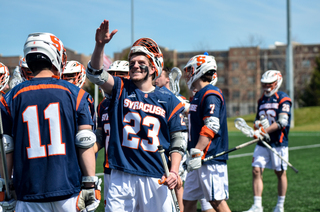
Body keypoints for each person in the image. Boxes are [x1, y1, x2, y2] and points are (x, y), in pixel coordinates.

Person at [86, 19, 187, 212]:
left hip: (156, 175)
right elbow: (95, 74)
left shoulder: (169, 100)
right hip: (122, 174)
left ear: (154, 66)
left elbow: (178, 139)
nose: (135, 65)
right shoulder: (120, 88)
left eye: (142, 62)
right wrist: (100, 46)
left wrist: (174, 170)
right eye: (132, 62)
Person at [0, 32, 100, 212]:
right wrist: (90, 182)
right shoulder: (76, 94)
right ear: (55, 55)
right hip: (67, 189)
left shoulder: (10, 98)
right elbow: (85, 141)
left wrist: (6, 185)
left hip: (29, 191)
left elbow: (6, 146)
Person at [183, 54, 231, 212]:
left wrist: (197, 151)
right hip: (197, 159)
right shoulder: (199, 94)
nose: (188, 74)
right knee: (188, 201)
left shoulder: (210, 93)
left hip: (209, 158)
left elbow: (211, 125)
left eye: (190, 70)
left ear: (199, 69)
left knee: (216, 201)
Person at [244, 70, 291, 212]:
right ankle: (257, 205)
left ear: (277, 83)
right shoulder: (261, 100)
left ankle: (279, 206)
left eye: (269, 84)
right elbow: (258, 120)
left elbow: (282, 121)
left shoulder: (283, 98)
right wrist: (256, 130)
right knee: (256, 170)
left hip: (278, 142)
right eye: (264, 84)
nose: (266, 87)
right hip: (263, 143)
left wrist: (264, 131)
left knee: (280, 172)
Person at [94, 60, 129, 209]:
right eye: (112, 76)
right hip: (109, 168)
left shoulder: (134, 102)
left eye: (120, 76)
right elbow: (101, 136)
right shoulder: (103, 105)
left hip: (133, 167)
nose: (115, 80)